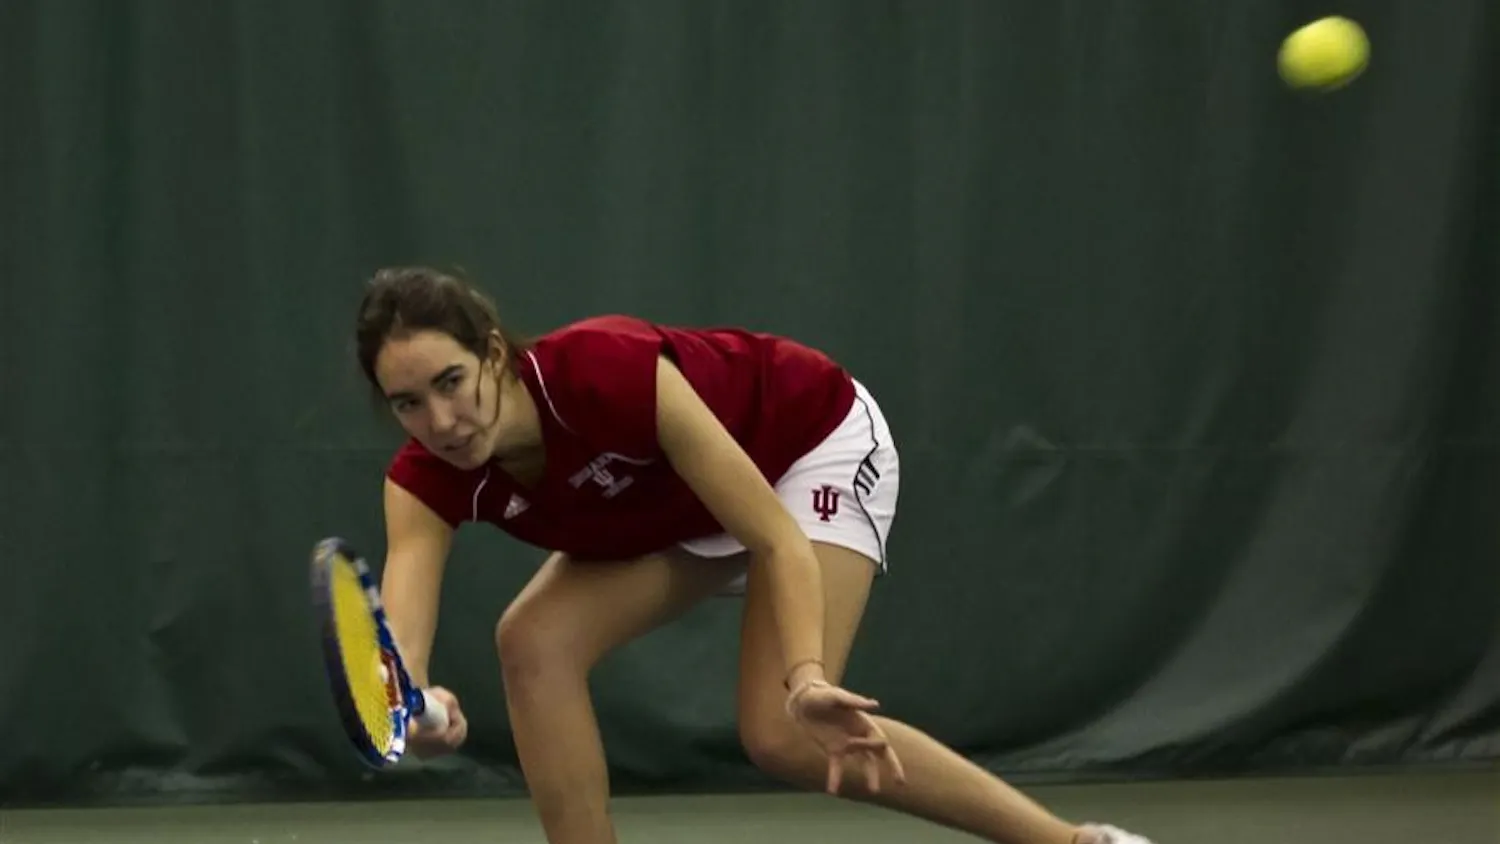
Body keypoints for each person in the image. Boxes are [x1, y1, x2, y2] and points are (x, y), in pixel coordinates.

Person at [354, 265, 1155, 844]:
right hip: (677, 506)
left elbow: (772, 535)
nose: (443, 419)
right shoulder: (424, 484)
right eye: (409, 403)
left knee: (782, 733)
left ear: (493, 353)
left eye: (453, 381)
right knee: (532, 642)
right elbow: (402, 656)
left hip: (807, 448)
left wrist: (805, 678)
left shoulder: (607, 370)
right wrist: (416, 710)